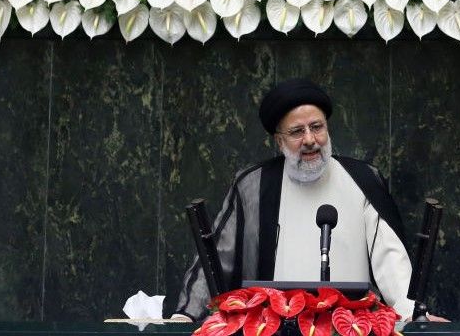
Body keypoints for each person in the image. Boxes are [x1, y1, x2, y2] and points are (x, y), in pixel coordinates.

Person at [173, 79, 416, 321]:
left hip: (349, 326)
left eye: (317, 127)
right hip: (273, 328)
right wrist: (186, 315)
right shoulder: (254, 185)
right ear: (279, 141)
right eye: (297, 132)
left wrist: (411, 314)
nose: (309, 139)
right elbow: (216, 258)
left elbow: (391, 259)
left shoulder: (363, 179)